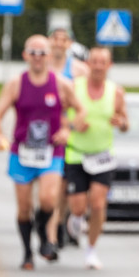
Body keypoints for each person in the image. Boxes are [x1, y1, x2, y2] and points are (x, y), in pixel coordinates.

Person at [0, 35, 84, 270]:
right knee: (23, 208)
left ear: (49, 56)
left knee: (47, 198)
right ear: (25, 56)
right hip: (22, 152)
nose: (38, 58)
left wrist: (68, 130)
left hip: (51, 151)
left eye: (42, 53)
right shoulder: (16, 83)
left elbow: (80, 111)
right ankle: (26, 253)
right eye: (33, 52)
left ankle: (44, 236)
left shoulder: (62, 83)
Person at [64, 46, 129, 270]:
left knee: (98, 203)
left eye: (103, 62)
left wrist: (120, 122)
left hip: (103, 155)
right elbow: (61, 118)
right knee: (79, 207)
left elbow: (125, 122)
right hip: (76, 153)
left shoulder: (116, 92)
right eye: (95, 61)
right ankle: (75, 217)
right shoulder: (74, 87)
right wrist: (73, 124)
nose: (99, 66)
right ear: (88, 64)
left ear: (109, 66)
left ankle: (91, 250)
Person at [48, 27, 90, 249]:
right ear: (49, 41)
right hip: (47, 131)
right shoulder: (42, 67)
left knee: (64, 187)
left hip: (70, 132)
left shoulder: (79, 69)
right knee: (51, 186)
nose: (59, 43)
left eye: (64, 40)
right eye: (55, 38)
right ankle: (52, 232)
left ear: (70, 44)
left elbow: (89, 96)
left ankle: (59, 226)